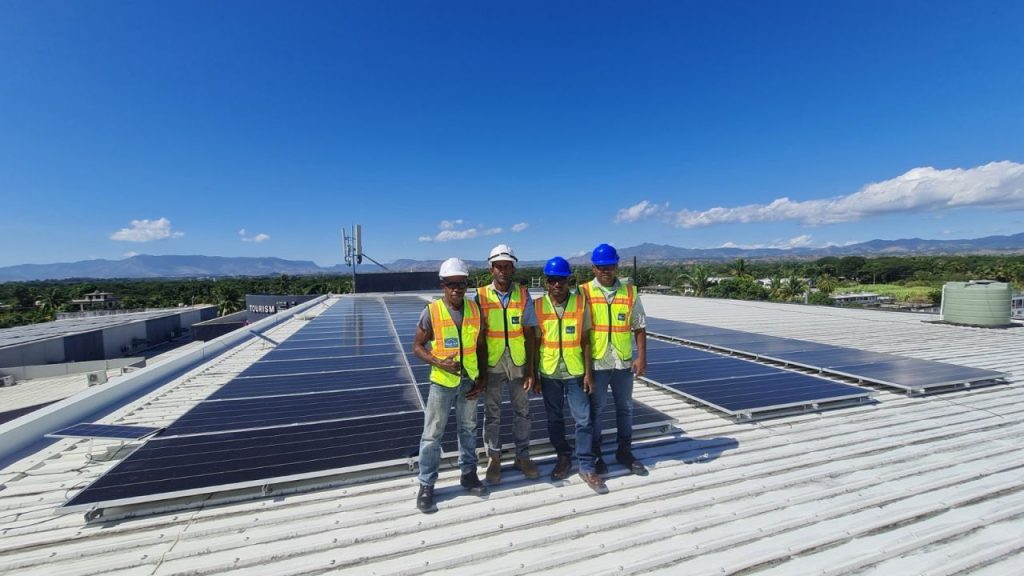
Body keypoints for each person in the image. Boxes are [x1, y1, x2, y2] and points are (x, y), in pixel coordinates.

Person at [412, 257, 488, 513]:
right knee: (433, 434)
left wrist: (482, 377)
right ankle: (426, 485)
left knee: (468, 429)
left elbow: (480, 346)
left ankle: (468, 474)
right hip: (442, 384)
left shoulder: (475, 310)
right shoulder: (431, 312)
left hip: (470, 380)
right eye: (450, 284)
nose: (456, 288)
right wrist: (438, 362)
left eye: (461, 284)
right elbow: (417, 347)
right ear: (443, 285)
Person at [534, 256, 607, 494]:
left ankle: (586, 465)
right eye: (553, 281)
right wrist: (533, 374)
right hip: (549, 371)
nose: (557, 285)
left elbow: (586, 340)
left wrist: (588, 372)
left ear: (569, 281)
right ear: (547, 282)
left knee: (583, 419)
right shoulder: (537, 306)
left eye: (562, 281)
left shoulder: (579, 304)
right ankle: (563, 457)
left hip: (575, 371)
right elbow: (534, 343)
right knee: (554, 418)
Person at [582, 243, 649, 476]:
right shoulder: (583, 292)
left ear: (616, 266)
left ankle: (624, 451)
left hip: (622, 361)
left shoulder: (630, 292)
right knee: (597, 410)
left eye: (609, 266)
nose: (605, 270)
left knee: (625, 408)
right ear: (593, 268)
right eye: (600, 267)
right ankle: (597, 454)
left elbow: (639, 327)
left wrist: (642, 357)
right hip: (597, 362)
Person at [476, 244, 540, 484]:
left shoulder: (523, 295)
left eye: (507, 266)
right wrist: (480, 372)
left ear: (513, 268)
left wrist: (531, 371)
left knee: (522, 412)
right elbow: (478, 337)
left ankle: (522, 457)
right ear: (491, 269)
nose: (503, 270)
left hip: (518, 364)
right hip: (492, 365)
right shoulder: (480, 296)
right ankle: (493, 458)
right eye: (498, 266)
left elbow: (531, 334)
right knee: (492, 414)